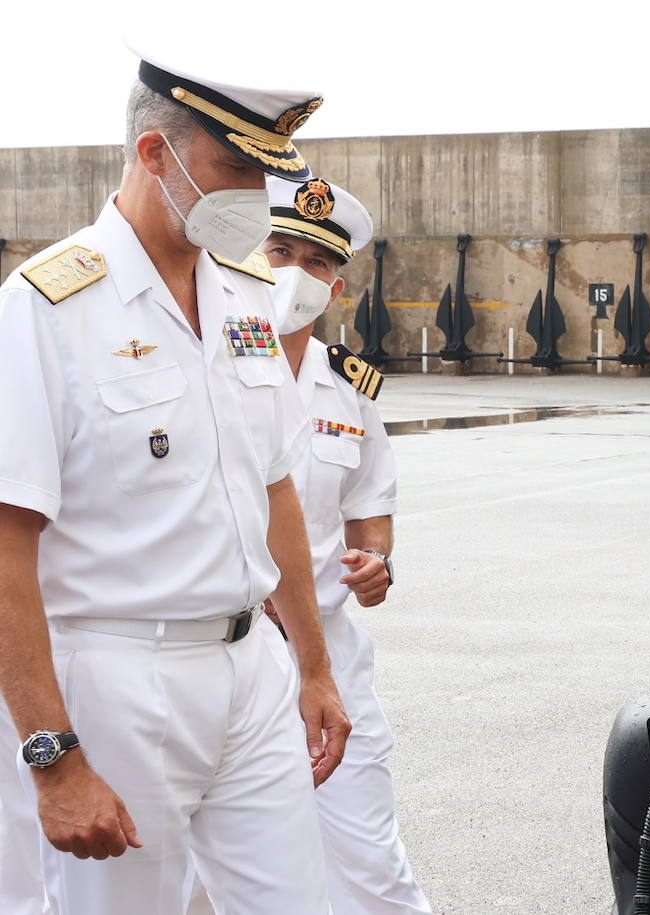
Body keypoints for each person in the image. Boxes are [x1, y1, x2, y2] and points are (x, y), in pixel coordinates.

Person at [0, 50, 348, 914]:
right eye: (236, 167)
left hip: (250, 672)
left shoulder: (243, 297)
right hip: (120, 679)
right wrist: (54, 754)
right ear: (156, 153)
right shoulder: (46, 310)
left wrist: (312, 665)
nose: (256, 197)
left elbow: (276, 492)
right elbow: (8, 542)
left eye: (265, 173)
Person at [256, 175, 432, 914]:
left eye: (319, 261)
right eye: (281, 248)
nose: (298, 270)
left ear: (336, 287)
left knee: (369, 860)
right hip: (232, 646)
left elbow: (369, 503)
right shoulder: (207, 364)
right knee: (215, 874)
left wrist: (376, 562)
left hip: (330, 651)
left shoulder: (348, 388)